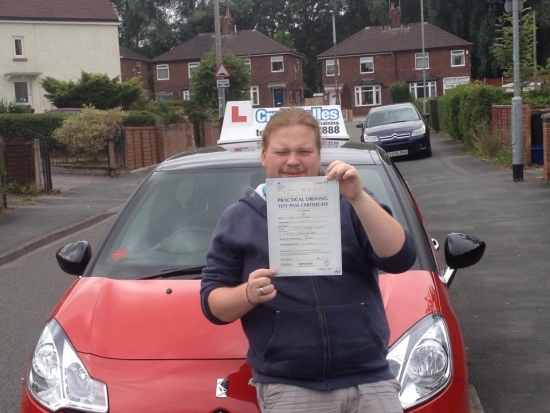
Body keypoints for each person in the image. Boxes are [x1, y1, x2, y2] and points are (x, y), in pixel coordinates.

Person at [200, 107, 417, 413]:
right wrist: (247, 295)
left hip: (370, 380)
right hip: (290, 386)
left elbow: (401, 258)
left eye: (304, 151)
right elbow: (212, 304)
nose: (293, 161)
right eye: (281, 151)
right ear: (264, 156)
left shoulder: (351, 200)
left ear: (318, 154)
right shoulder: (237, 218)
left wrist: (357, 198)